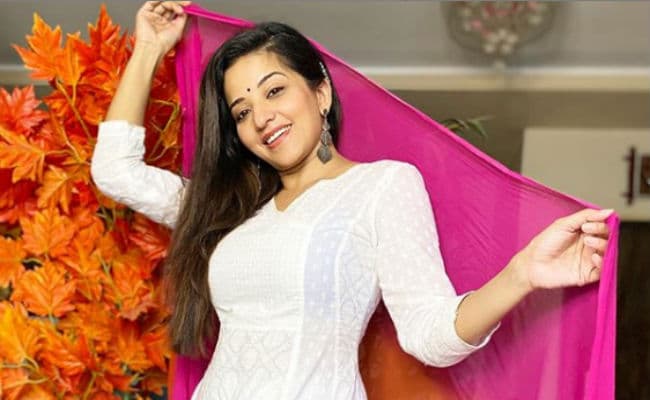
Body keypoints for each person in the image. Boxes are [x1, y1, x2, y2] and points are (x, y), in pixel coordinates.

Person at [90, 2, 614, 399]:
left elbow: (430, 335)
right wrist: (149, 49)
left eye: (274, 91)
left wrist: (521, 274)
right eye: (242, 112)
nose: (261, 117)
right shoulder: (228, 208)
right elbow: (114, 170)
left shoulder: (382, 187)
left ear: (320, 92)